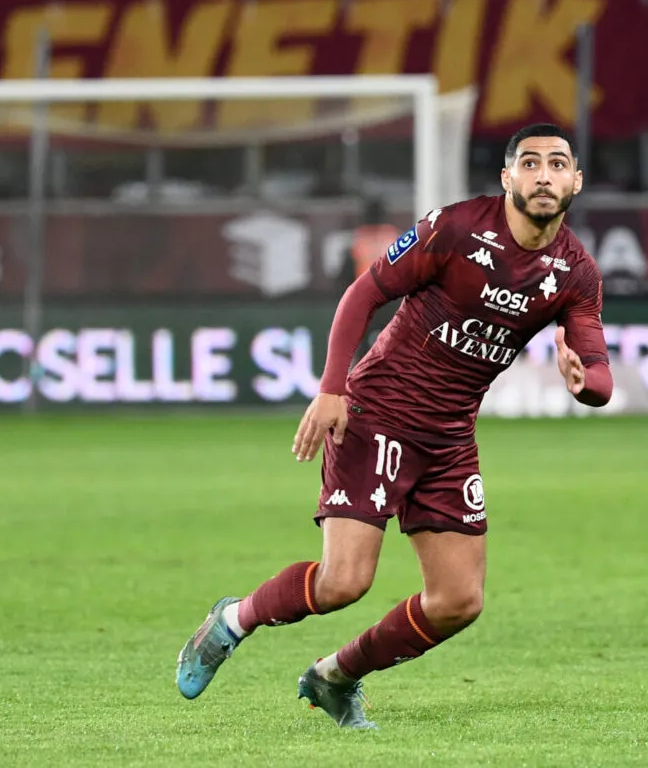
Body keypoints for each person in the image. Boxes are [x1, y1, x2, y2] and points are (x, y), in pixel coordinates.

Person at [175, 124, 613, 727]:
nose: (544, 175)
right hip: (380, 412)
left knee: (459, 601)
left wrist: (583, 381)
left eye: (558, 164)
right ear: (508, 177)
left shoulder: (576, 271)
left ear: (576, 181)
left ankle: (333, 677)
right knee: (343, 583)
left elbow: (600, 377)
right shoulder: (455, 229)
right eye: (530, 163)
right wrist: (331, 388)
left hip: (451, 438)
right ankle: (231, 622)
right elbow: (362, 294)